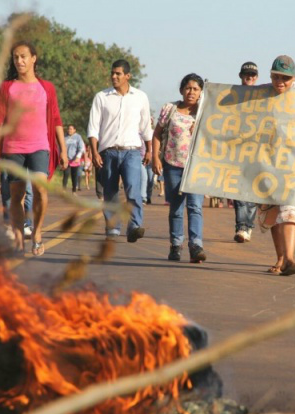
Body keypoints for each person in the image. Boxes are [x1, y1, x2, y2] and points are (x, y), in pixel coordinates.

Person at [0, 40, 69, 256]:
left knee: (40, 190)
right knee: (15, 196)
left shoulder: (46, 88)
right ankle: (18, 238)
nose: (19, 61)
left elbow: (56, 118)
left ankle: (37, 232)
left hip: (39, 146)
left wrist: (62, 149)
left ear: (33, 58)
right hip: (13, 147)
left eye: (23, 56)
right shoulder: (7, 87)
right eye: (16, 57)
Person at [87, 59, 152, 242]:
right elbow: (93, 127)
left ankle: (135, 226)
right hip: (108, 152)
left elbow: (146, 126)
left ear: (128, 76)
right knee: (110, 192)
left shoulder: (140, 97)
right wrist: (94, 152)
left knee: (133, 189)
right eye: (112, 73)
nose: (114, 76)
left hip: (131, 151)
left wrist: (150, 151)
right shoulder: (102, 97)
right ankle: (113, 228)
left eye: (118, 73)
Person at [257, 55, 295, 276]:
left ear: (294, 78)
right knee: (272, 213)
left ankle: (290, 259)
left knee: (290, 208)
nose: (280, 82)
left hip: (291, 165)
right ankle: (281, 258)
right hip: (263, 165)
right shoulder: (258, 96)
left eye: (285, 78)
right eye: (276, 77)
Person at [152, 73, 206, 263]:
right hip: (172, 164)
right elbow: (157, 134)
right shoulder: (170, 109)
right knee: (176, 207)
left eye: (196, 89)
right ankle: (176, 245)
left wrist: (202, 128)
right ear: (182, 90)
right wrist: (155, 158)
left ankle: (196, 245)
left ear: (201, 93)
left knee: (195, 207)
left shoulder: (205, 113)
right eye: (188, 88)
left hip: (196, 168)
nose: (191, 92)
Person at [232, 62, 259, 243]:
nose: (249, 77)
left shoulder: (263, 96)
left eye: (252, 75)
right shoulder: (231, 96)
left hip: (258, 150)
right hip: (236, 149)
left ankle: (248, 226)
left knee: (253, 192)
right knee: (239, 191)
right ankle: (241, 226)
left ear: (256, 77)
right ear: (241, 76)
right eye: (246, 75)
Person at [63, 125, 85, 194]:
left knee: (74, 175)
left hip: (75, 159)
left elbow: (82, 148)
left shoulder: (78, 137)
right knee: (66, 174)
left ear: (74, 130)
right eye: (68, 129)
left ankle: (74, 191)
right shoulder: (65, 137)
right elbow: (61, 147)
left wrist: (78, 156)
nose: (69, 130)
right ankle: (64, 190)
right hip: (66, 159)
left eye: (71, 129)